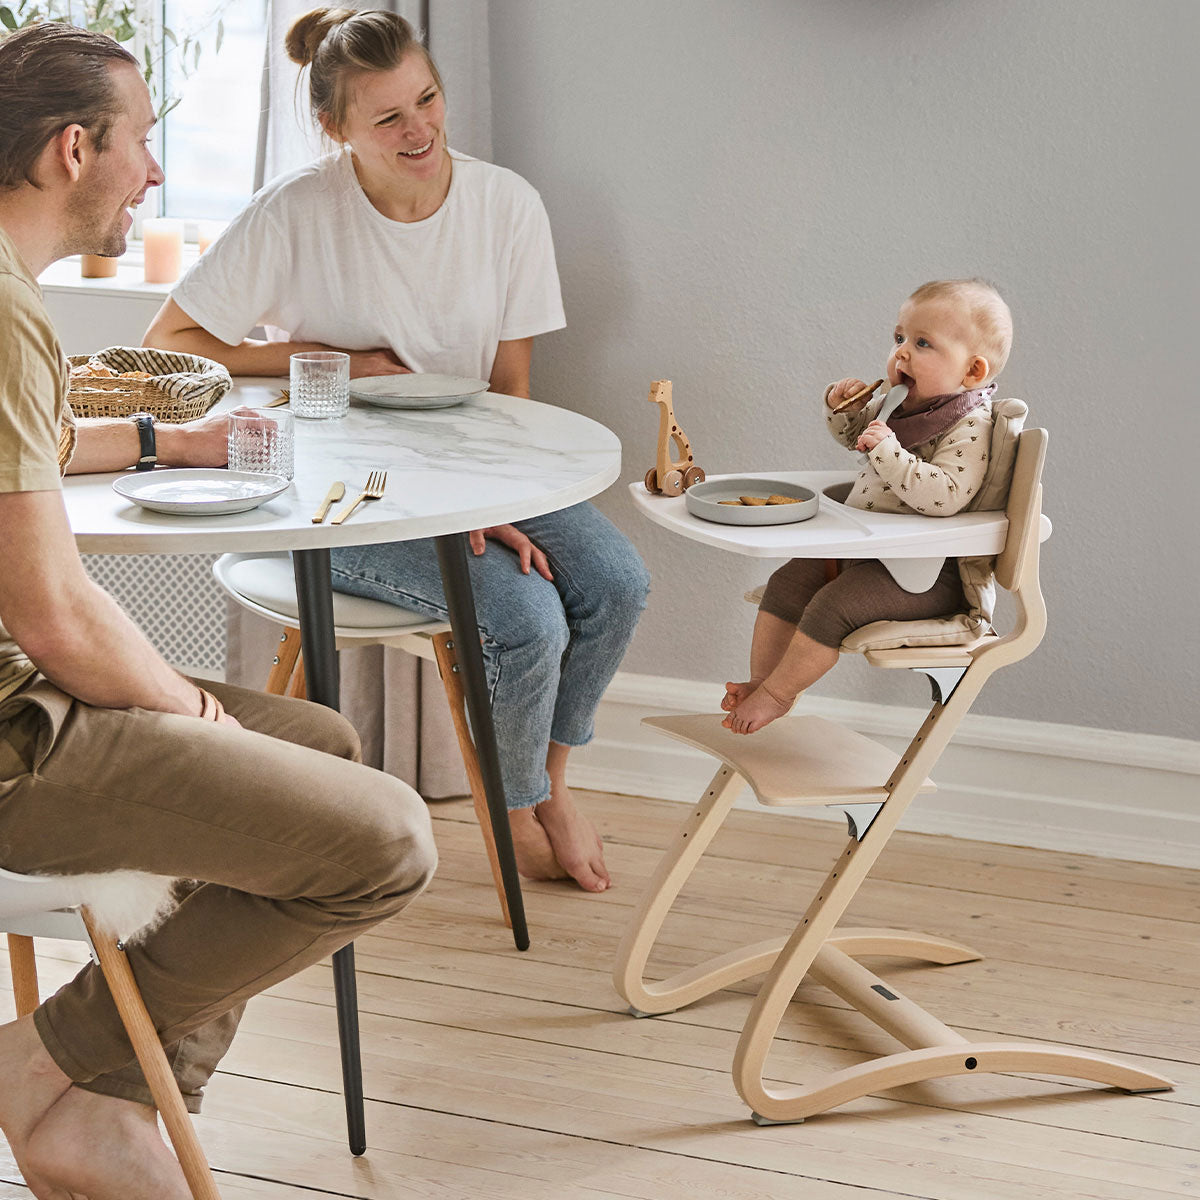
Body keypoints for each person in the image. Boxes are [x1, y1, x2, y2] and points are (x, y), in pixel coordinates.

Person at [0, 23, 437, 1199]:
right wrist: (193, 707)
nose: (152, 173)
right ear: (73, 148)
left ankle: (127, 1099)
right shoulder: (4, 317)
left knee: (326, 746)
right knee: (386, 842)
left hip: (20, 704)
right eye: (144, 143)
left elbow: (22, 452)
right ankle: (48, 1066)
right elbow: (52, 615)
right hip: (10, 739)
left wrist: (162, 439)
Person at [145, 7, 650, 894]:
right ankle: (518, 802)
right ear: (336, 129)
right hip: (337, 494)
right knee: (525, 620)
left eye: (427, 99)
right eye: (387, 118)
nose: (419, 129)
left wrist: (489, 505)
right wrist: (326, 359)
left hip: (478, 470)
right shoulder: (297, 212)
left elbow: (512, 392)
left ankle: (547, 791)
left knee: (617, 581)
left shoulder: (505, 206)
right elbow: (172, 343)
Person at [722, 278, 1013, 734]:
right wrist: (844, 409)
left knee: (831, 606)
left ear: (973, 372)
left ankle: (779, 695)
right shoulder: (903, 402)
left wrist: (889, 450)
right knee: (788, 582)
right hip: (868, 550)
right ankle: (763, 681)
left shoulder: (969, 425)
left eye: (923, 343)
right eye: (899, 337)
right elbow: (855, 439)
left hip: (927, 574)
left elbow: (945, 496)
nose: (901, 352)